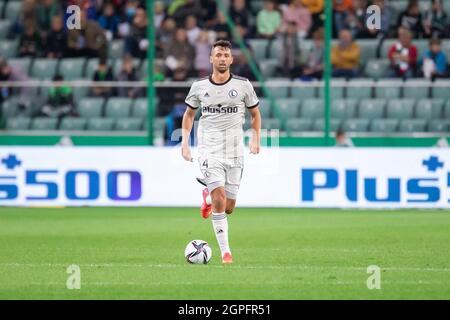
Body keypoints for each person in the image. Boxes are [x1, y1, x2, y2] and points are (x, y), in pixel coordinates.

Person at [181, 40, 262, 264]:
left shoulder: (244, 85)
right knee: (220, 197)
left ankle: (207, 197)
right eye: (218, 55)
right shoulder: (199, 86)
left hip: (235, 151)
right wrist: (185, 143)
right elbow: (189, 115)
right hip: (209, 149)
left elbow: (255, 114)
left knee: (228, 207)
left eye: (226, 55)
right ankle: (226, 253)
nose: (223, 58)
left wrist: (255, 138)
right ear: (211, 59)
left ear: (231, 59)